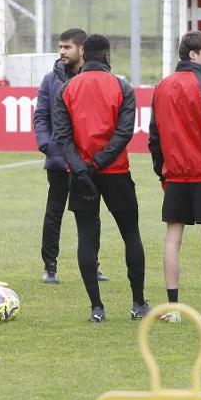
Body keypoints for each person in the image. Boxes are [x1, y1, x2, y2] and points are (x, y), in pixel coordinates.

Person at [53, 34, 150, 323]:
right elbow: (124, 134)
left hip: (80, 174)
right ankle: (138, 303)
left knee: (86, 235)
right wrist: (98, 163)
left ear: (84, 56)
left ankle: (96, 306)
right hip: (115, 171)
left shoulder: (67, 88)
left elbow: (63, 136)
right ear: (107, 57)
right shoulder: (122, 86)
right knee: (130, 233)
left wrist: (82, 168)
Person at [149, 31, 201, 323]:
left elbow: (155, 136)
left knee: (173, 238)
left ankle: (172, 308)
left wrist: (161, 167)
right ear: (192, 55)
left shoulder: (162, 87)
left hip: (175, 175)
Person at [34, 27, 106, 285]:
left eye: (67, 47)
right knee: (54, 212)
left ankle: (92, 265)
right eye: (60, 47)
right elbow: (41, 115)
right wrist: (47, 145)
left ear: (82, 49)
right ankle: (50, 267)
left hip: (87, 160)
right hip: (58, 159)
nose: (62, 52)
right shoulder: (50, 80)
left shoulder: (95, 77)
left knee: (90, 213)